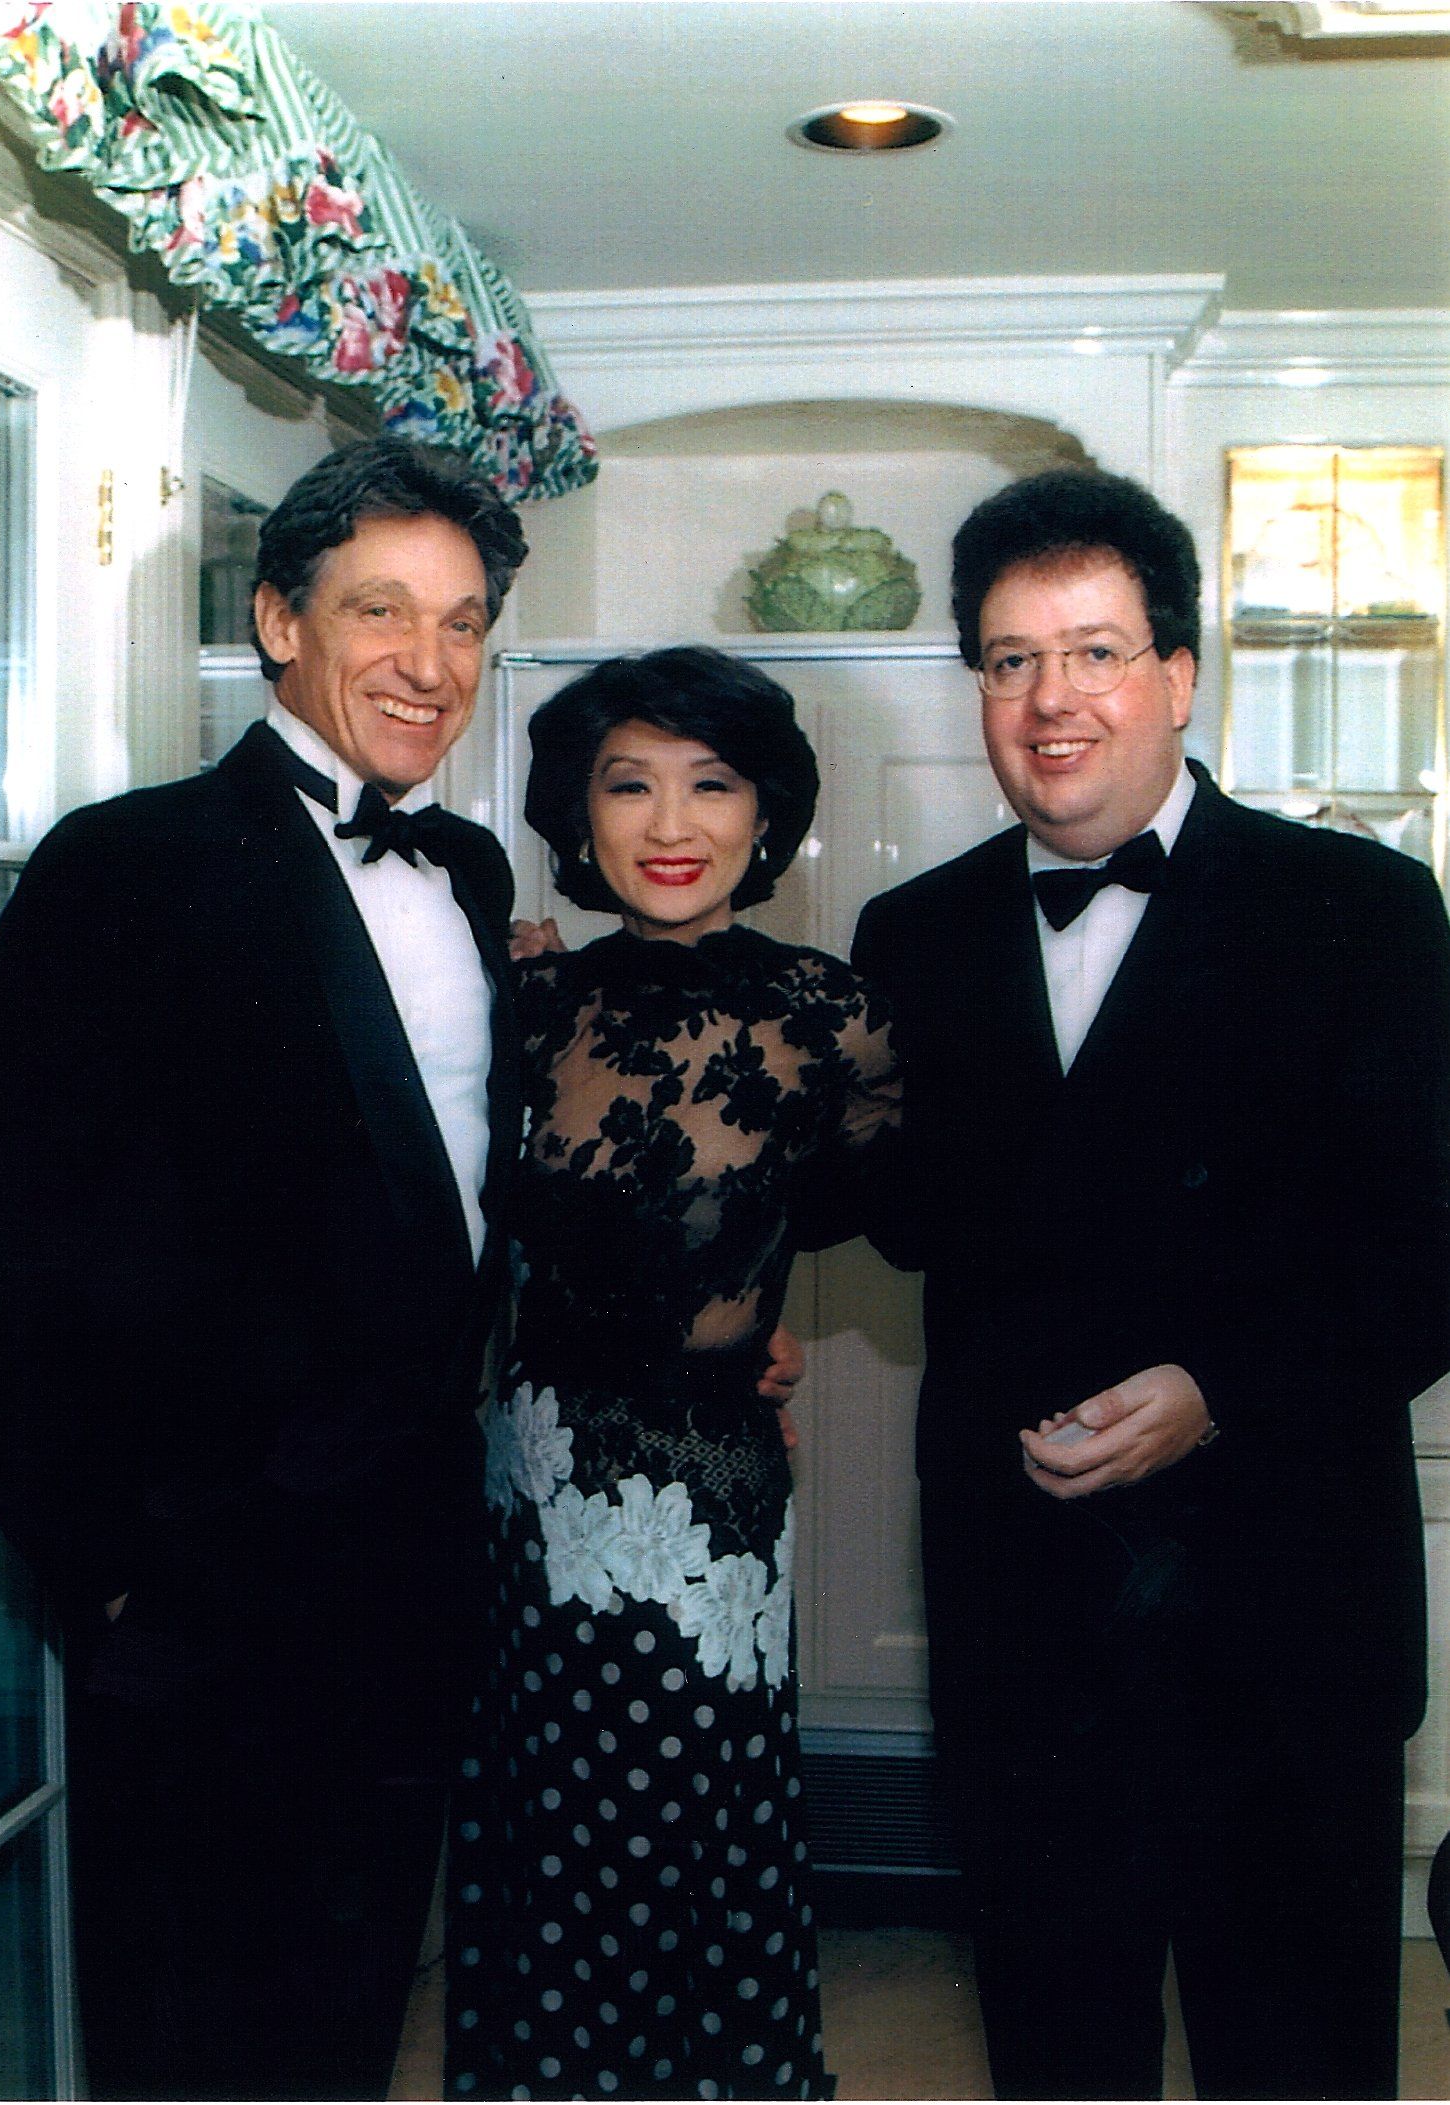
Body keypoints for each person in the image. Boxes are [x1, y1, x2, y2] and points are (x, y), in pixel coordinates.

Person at [852, 466, 1450, 2102]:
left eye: (1093, 652)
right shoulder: (912, 935)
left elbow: (1425, 1250)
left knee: (1297, 2061)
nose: (1050, 700)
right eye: (1008, 660)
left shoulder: (1360, 909)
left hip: (1282, 1607)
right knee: (1059, 2053)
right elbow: (886, 1209)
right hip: (1027, 1612)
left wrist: (1216, 1390)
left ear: (1179, 676)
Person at [0, 438, 531, 2101]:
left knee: (344, 2016)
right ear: (281, 621)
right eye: (381, 610)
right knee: (191, 2040)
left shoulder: (474, 868)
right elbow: (10, 1246)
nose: (428, 662)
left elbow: (451, 1198)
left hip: (412, 1563)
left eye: (462, 621)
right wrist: (111, 1578)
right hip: (203, 1590)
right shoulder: (123, 865)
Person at [446, 647, 899, 2101]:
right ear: (578, 816)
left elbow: (885, 1214)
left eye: (711, 784)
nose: (669, 822)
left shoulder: (831, 1016)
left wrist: (750, 1321)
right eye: (627, 784)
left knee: (684, 1822)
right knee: (551, 1829)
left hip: (705, 1500)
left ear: (767, 816)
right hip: (531, 1482)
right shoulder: (523, 1001)